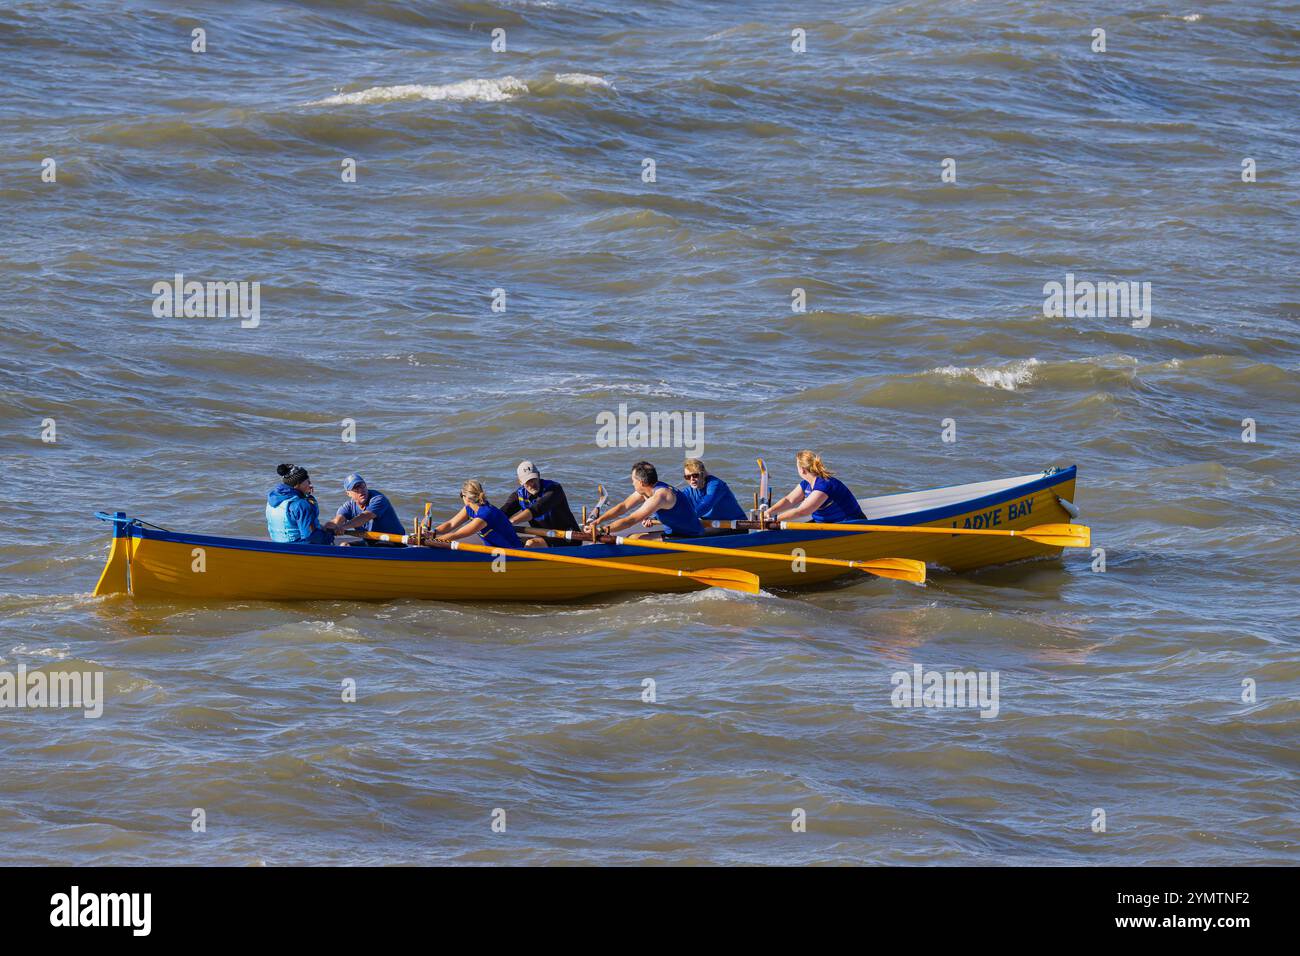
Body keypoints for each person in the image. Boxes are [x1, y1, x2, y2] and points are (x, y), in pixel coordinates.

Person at [587, 461, 704, 539]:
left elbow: (630, 520)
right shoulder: (646, 491)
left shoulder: (661, 496)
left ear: (641, 482)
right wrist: (597, 522)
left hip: (689, 536)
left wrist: (601, 530)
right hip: (673, 532)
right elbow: (623, 507)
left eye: (633, 480)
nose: (632, 483)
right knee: (632, 537)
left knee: (634, 539)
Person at [767, 450, 866, 524]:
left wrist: (774, 520)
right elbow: (789, 500)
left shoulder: (824, 485)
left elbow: (802, 511)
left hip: (850, 525)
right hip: (827, 524)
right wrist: (769, 512)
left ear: (802, 470)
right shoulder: (806, 484)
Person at [500, 460, 582, 548]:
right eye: (528, 481)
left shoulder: (554, 489)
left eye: (533, 479)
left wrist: (511, 522)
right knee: (506, 540)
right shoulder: (519, 495)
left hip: (567, 538)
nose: (532, 484)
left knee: (531, 544)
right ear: (520, 482)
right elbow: (504, 511)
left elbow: (537, 509)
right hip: (544, 537)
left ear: (538, 475)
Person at [431, 479, 523, 550]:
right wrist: (432, 533)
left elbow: (457, 535)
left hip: (512, 551)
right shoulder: (469, 509)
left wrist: (430, 542)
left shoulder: (486, 514)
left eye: (461, 495)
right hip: (493, 550)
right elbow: (451, 524)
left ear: (466, 497)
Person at [265, 464, 335, 545]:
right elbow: (310, 538)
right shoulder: (301, 505)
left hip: (276, 543)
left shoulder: (272, 498)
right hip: (296, 547)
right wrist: (329, 536)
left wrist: (306, 496)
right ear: (297, 484)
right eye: (307, 481)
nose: (310, 484)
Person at [332, 473, 405, 544]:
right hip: (371, 542)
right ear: (348, 493)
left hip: (394, 542)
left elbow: (366, 516)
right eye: (356, 488)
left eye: (362, 486)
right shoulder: (348, 506)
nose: (361, 490)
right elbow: (338, 519)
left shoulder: (378, 499)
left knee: (379, 545)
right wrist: (334, 527)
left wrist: (344, 527)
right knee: (345, 545)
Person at [679, 458, 746, 521]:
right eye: (687, 477)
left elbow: (706, 504)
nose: (691, 479)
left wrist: (685, 519)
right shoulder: (689, 492)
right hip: (713, 525)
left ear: (702, 474)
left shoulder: (716, 485)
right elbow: (677, 503)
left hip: (735, 525)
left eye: (695, 475)